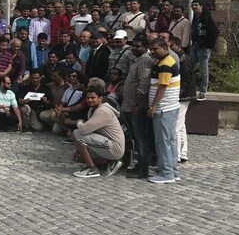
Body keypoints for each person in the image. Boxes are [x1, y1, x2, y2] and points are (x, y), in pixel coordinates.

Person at [68, 85, 126, 178]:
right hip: (109, 144)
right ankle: (109, 162)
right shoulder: (94, 109)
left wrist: (78, 121)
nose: (90, 100)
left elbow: (83, 129)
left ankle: (92, 169)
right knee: (80, 157)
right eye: (88, 98)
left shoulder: (102, 111)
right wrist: (78, 148)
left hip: (115, 147)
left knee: (76, 133)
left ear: (100, 99)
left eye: (93, 97)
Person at [147, 38, 181, 184]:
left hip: (164, 108)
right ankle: (173, 170)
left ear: (164, 48)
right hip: (170, 107)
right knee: (170, 140)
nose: (152, 52)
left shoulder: (166, 64)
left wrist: (153, 106)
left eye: (155, 49)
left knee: (163, 142)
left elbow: (162, 87)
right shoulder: (164, 62)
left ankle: (166, 173)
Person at [122, 35, 155, 179]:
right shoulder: (135, 60)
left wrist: (136, 103)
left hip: (138, 107)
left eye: (138, 46)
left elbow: (144, 85)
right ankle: (139, 164)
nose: (134, 48)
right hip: (129, 105)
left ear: (145, 47)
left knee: (142, 138)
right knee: (136, 138)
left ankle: (143, 168)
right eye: (133, 46)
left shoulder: (145, 61)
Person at [170, 36, 195, 160]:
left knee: (176, 126)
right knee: (181, 125)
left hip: (183, 96)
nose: (170, 49)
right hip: (182, 94)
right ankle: (183, 152)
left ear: (178, 45)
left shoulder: (184, 59)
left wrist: (178, 94)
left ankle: (177, 155)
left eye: (172, 46)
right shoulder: (180, 58)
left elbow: (185, 79)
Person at [190, 0, 219, 101]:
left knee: (203, 70)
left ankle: (202, 92)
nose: (194, 7)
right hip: (194, 46)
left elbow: (215, 32)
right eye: (192, 5)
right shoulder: (195, 18)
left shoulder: (207, 17)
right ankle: (189, 88)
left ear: (201, 6)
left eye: (196, 5)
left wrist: (207, 45)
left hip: (203, 48)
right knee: (189, 66)